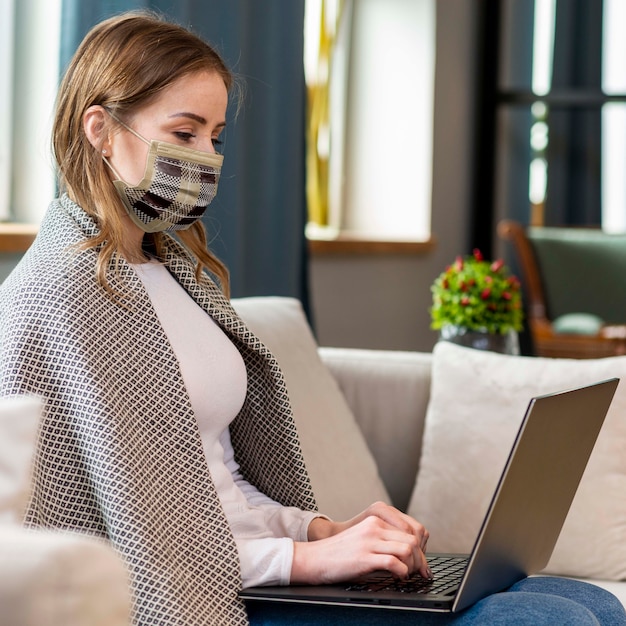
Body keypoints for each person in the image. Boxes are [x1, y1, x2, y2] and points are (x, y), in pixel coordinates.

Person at [0, 10, 623, 626]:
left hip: (258, 568)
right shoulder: (69, 293)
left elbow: (223, 485)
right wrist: (307, 560)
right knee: (546, 617)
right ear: (100, 130)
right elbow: (152, 552)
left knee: (588, 601)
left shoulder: (167, 269)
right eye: (184, 133)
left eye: (215, 137)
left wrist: (323, 529)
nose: (206, 158)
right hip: (213, 599)